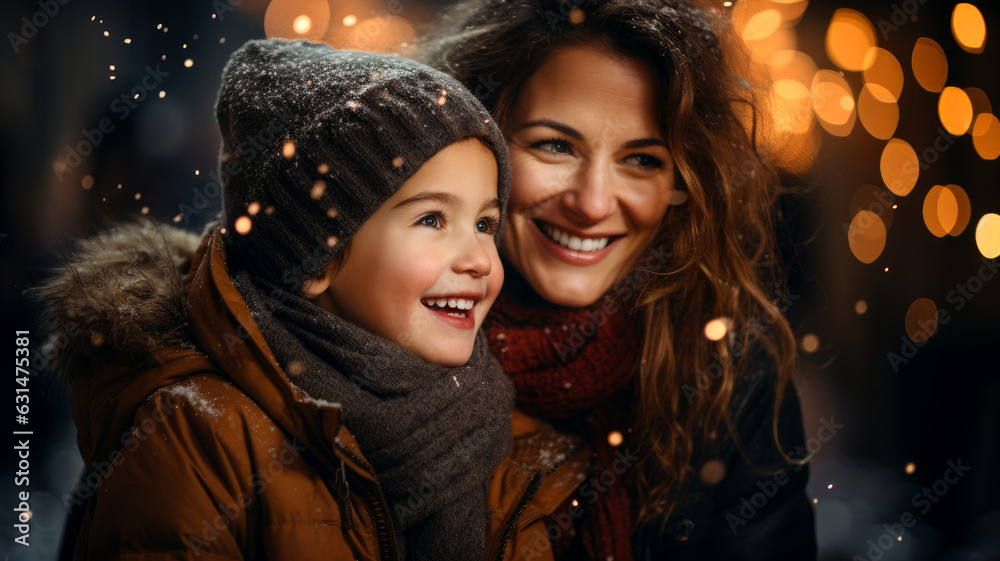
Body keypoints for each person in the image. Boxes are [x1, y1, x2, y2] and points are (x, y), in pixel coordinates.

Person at [36, 38, 587, 561]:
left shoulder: (496, 433)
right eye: (432, 219)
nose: (478, 259)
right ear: (317, 258)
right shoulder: (197, 435)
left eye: (486, 223)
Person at [418, 0, 818, 558]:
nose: (593, 203)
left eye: (642, 160)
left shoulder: (729, 374)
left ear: (686, 180)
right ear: (473, 144)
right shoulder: (386, 327)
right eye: (555, 145)